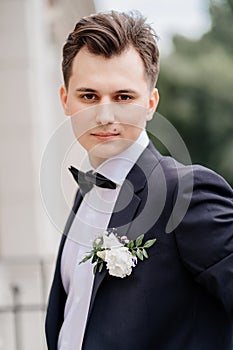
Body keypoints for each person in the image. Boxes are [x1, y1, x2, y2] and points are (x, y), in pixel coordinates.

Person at [45, 10, 233, 350]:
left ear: (150, 102)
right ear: (65, 101)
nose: (104, 116)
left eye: (123, 97)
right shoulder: (84, 193)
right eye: (89, 96)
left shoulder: (186, 193)